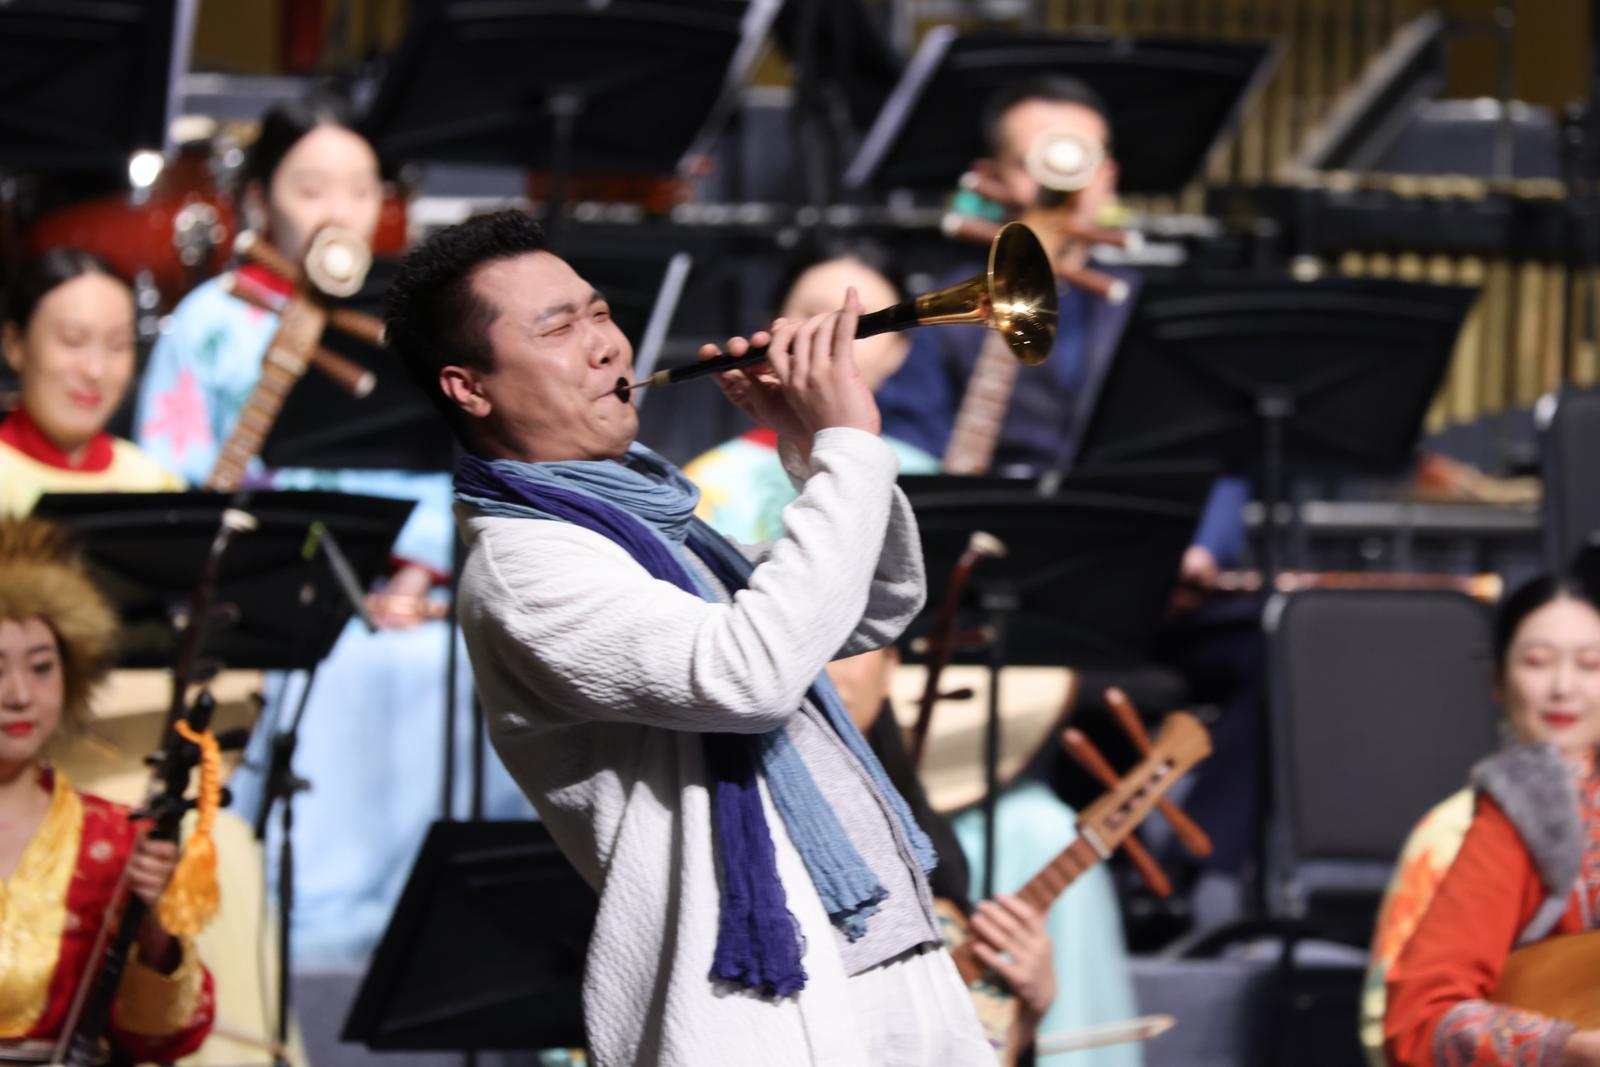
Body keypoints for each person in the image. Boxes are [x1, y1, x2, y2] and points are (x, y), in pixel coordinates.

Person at [385, 208, 992, 1066]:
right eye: (559, 328)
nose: (607, 345)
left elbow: (873, 602)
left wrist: (809, 442)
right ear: (469, 387)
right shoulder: (527, 568)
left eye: (600, 313)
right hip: (761, 995)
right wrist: (849, 443)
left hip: (880, 950)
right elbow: (751, 674)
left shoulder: (657, 534)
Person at [687, 247, 1142, 1065]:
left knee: (1042, 826)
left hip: (910, 727)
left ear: (898, 354)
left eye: (862, 325)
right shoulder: (712, 481)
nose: (835, 337)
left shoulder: (921, 476)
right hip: (772, 732)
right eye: (813, 315)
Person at [135, 96, 528, 968]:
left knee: (468, 664)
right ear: (260, 200)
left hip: (401, 591)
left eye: (359, 189)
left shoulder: (412, 325)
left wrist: (416, 574)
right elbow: (177, 476)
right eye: (311, 188)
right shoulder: (210, 320)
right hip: (269, 595)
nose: (337, 209)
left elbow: (440, 466)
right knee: (338, 674)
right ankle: (304, 927)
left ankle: (445, 926)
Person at [1359, 573, 1600, 1065]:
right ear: (1498, 680)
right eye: (1537, 662)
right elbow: (1416, 1019)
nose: (1563, 687)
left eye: (1590, 664)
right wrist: (1566, 1048)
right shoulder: (1508, 817)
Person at [0, 517, 213, 1062]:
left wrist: (158, 930)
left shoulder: (116, 837)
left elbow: (160, 1037)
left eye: (42, 667)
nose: (19, 694)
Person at [1, 249, 181, 516]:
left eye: (118, 345)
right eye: (73, 341)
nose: (95, 370)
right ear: (15, 344)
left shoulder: (156, 486)